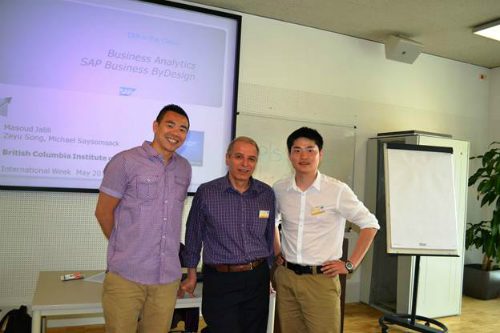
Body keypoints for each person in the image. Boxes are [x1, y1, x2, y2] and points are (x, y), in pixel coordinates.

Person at [95, 104, 191, 333]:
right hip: (127, 276)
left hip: (166, 280)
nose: (176, 133)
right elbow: (103, 212)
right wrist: (124, 245)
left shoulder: (184, 169)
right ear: (155, 126)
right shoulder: (125, 161)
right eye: (170, 125)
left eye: (183, 129)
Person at [273, 127, 379, 333]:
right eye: (297, 150)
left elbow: (370, 224)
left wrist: (350, 264)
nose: (303, 156)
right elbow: (272, 221)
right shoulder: (280, 189)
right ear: (289, 155)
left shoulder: (337, 190)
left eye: (310, 150)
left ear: (320, 154)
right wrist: (278, 250)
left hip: (320, 281)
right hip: (286, 278)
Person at [180, 136, 276, 333]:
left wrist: (268, 275)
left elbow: (268, 237)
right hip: (220, 280)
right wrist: (190, 274)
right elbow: (193, 234)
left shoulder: (266, 193)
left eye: (251, 159)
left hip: (257, 278)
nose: (245, 164)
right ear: (227, 158)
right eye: (239, 157)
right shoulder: (207, 192)